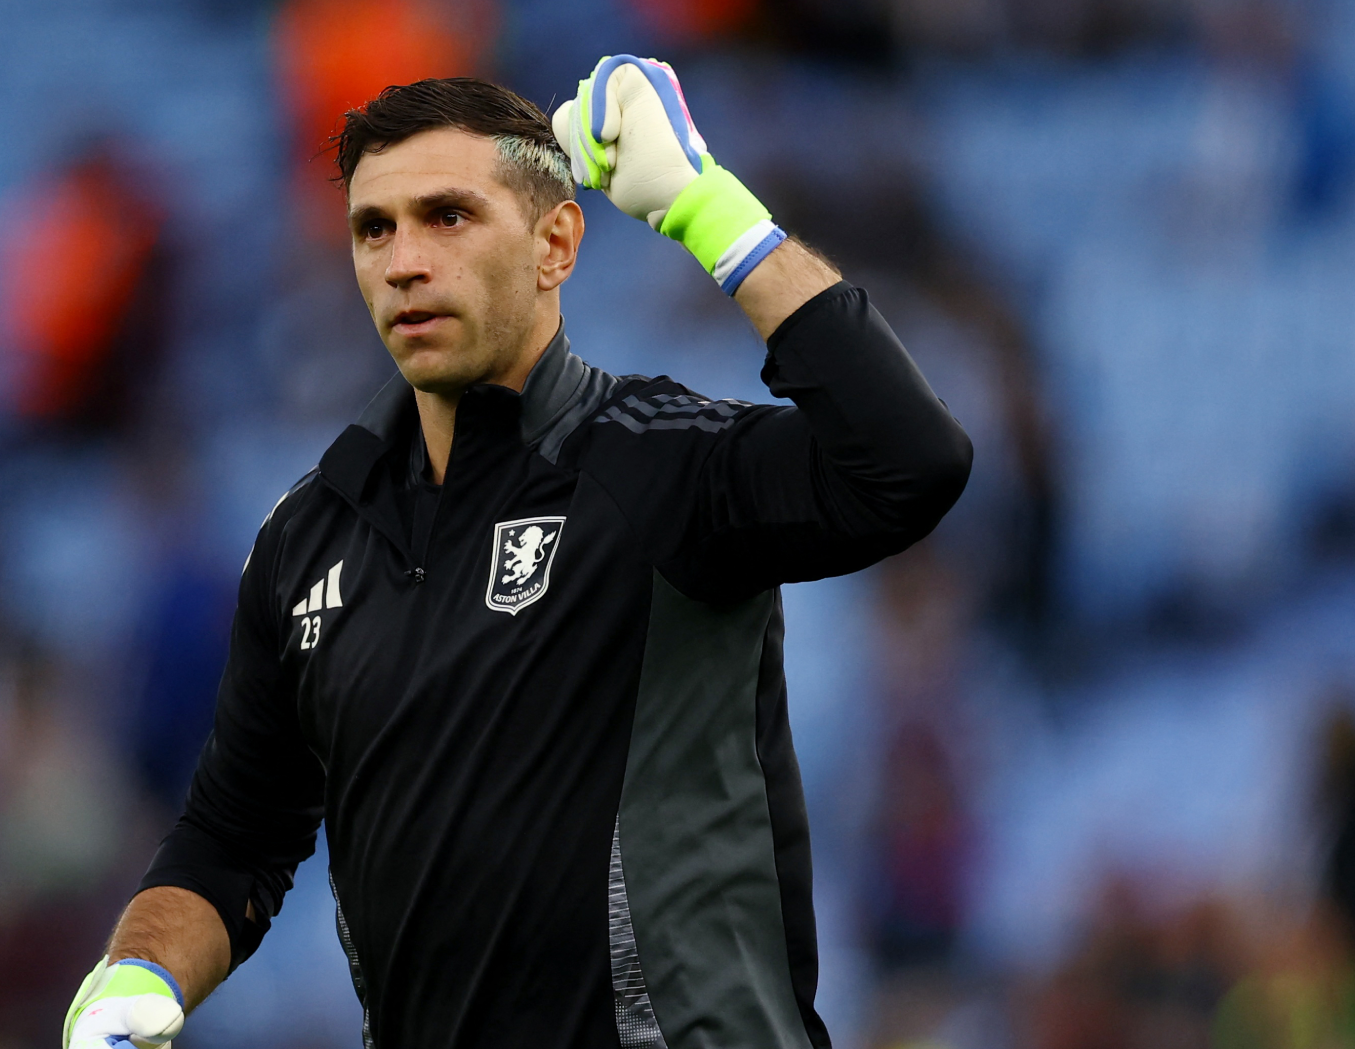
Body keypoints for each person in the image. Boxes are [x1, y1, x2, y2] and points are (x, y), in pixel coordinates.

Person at [63, 58, 973, 1049]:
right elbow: (234, 839)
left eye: (448, 216)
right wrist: (137, 969)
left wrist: (707, 209)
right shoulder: (306, 540)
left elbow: (906, 461)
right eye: (377, 228)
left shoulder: (656, 460)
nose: (405, 260)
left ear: (555, 245)